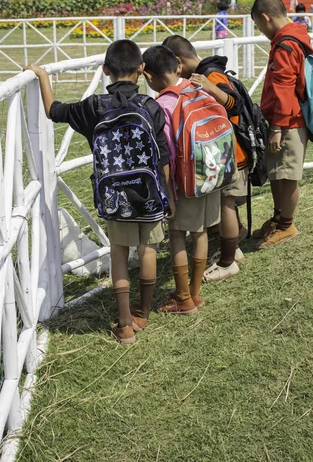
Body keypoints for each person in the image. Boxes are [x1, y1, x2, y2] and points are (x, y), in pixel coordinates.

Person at [25, 40, 174, 345]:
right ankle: (142, 313)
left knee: (118, 253)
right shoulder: (151, 106)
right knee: (148, 250)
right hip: (149, 193)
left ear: (105, 70)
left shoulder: (94, 106)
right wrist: (168, 195)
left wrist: (42, 76)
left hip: (114, 196)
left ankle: (124, 324)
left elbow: (54, 110)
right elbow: (163, 157)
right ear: (142, 69)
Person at [142, 45, 222, 312]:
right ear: (177, 66)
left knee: (176, 235)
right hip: (210, 172)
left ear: (149, 76)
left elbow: (166, 155)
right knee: (200, 233)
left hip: (182, 181)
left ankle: (182, 297)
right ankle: (196, 293)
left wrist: (167, 194)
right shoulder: (196, 87)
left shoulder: (162, 104)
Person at [163, 35, 247, 282]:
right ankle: (232, 250)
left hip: (227, 154)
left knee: (226, 205)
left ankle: (227, 262)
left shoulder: (209, 76)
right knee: (224, 205)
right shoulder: (200, 75)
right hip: (219, 154)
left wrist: (210, 88)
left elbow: (235, 105)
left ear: (177, 62)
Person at [251, 0, 313, 249]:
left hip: (288, 121)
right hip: (287, 118)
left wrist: (277, 127)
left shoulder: (285, 45)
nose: (260, 30)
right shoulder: (294, 36)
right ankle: (279, 219)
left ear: (265, 18)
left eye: (258, 25)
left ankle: (287, 225)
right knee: (278, 172)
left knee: (287, 176)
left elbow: (284, 88)